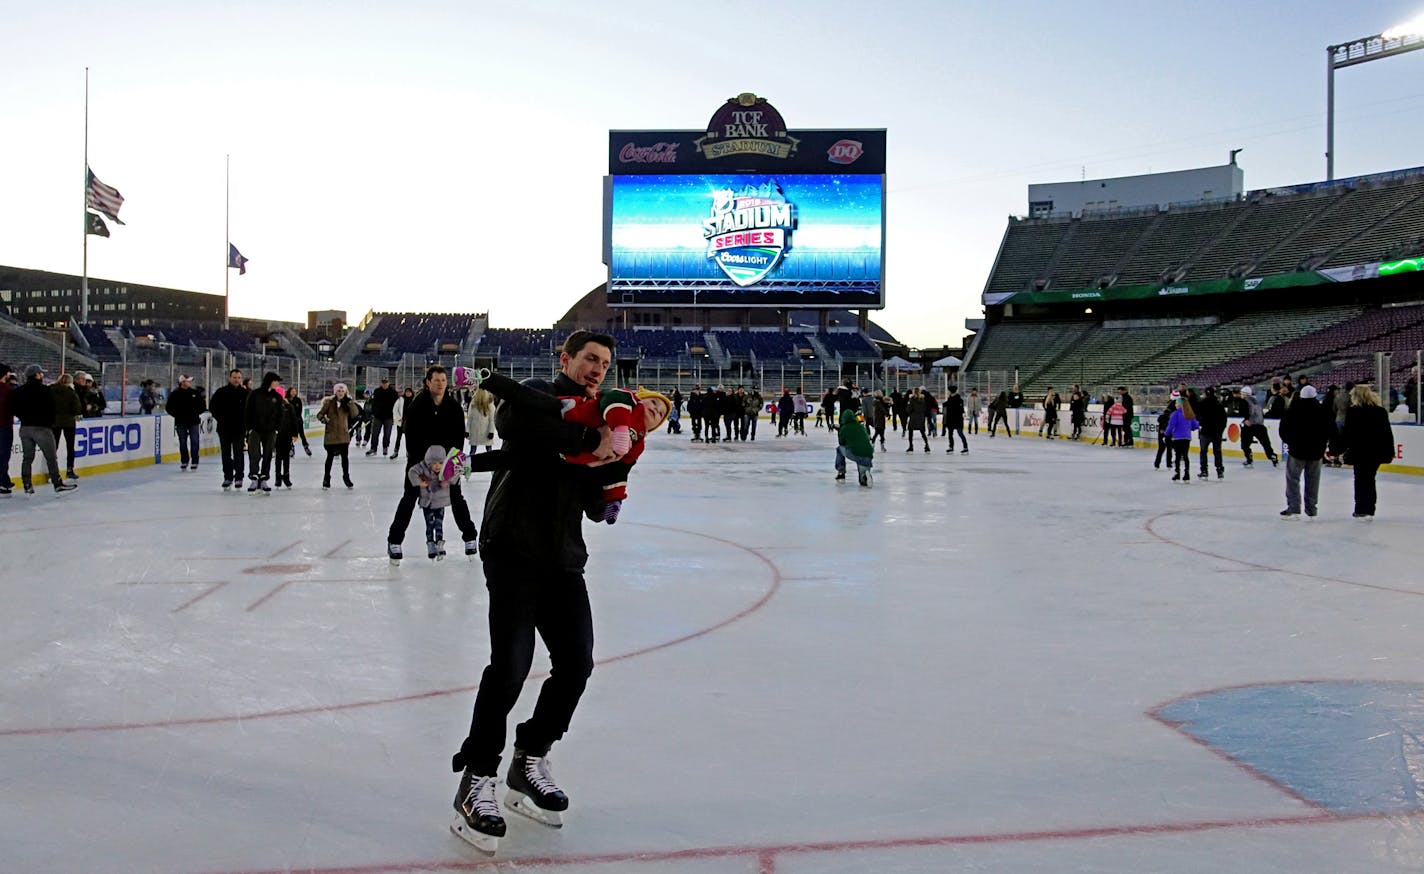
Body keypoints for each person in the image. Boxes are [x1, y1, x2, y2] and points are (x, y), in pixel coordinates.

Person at [449, 331, 620, 853]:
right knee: (511, 664)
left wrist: (613, 471)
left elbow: (592, 503)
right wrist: (589, 442)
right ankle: (477, 778)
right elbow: (515, 426)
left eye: (605, 364)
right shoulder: (534, 394)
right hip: (513, 546)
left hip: (562, 555)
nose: (597, 369)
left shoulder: (600, 417)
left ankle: (529, 759)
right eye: (589, 358)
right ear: (566, 359)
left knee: (577, 663)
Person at [387, 365, 480, 563]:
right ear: (428, 382)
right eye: (436, 380)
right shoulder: (418, 405)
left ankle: (470, 537)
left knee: (456, 497)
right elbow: (411, 438)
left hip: (447, 462)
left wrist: (451, 462)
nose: (440, 384)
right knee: (410, 498)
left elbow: (457, 438)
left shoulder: (453, 407)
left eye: (443, 380)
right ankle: (394, 541)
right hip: (419, 464)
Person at [10, 365, 76, 495]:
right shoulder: (45, 390)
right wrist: (48, 422)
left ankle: (27, 485)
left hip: (25, 428)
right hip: (42, 428)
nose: (42, 375)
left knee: (27, 458)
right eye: (40, 374)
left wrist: (24, 417)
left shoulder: (19, 391)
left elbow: (14, 409)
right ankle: (57, 484)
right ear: (36, 375)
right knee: (51, 457)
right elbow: (52, 408)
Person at [1332, 384, 1396, 519]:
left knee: (1361, 480)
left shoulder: (1354, 412)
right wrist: (1389, 451)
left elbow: (1348, 434)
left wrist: (1337, 450)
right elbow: (1387, 434)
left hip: (1360, 452)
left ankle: (1361, 509)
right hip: (1376, 452)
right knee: (1370, 479)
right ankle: (1370, 509)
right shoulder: (1380, 411)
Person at [1277, 384, 1333, 519]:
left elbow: (1283, 430)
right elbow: (1330, 430)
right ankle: (1311, 509)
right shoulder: (1323, 411)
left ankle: (1294, 507)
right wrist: (1326, 445)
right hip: (1316, 452)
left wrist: (1291, 442)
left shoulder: (1293, 410)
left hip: (1297, 451)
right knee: (1313, 480)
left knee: (1292, 479)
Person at [409, 444, 455, 559]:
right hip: (427, 502)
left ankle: (439, 543)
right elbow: (412, 472)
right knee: (429, 524)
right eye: (434, 463)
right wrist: (419, 482)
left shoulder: (446, 469)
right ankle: (430, 543)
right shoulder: (423, 467)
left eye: (440, 463)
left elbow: (456, 472)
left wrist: (448, 481)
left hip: (440, 502)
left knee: (438, 523)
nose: (437, 466)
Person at [244, 371, 285, 493]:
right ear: (270, 381)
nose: (277, 383)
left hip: (271, 431)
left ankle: (264, 478)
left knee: (268, 454)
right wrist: (249, 428)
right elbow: (248, 411)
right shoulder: (255, 394)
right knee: (254, 454)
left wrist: (277, 429)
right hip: (255, 430)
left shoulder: (277, 397)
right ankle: (254, 478)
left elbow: (280, 415)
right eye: (276, 381)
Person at [210, 369, 249, 490]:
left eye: (238, 378)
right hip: (224, 428)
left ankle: (238, 477)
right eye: (234, 377)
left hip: (239, 429)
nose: (236, 380)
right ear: (229, 378)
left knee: (238, 453)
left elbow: (250, 410)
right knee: (226, 454)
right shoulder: (221, 392)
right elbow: (213, 407)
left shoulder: (246, 393)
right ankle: (227, 476)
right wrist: (221, 419)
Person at [318, 383, 358, 490]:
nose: (340, 393)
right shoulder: (329, 403)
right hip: (331, 435)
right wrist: (324, 419)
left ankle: (346, 477)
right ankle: (326, 478)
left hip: (343, 435)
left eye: (342, 391)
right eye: (338, 391)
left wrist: (350, 403)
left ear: (345, 392)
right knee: (329, 457)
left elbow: (355, 414)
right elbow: (320, 414)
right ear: (335, 392)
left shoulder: (348, 403)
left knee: (344, 458)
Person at [165, 373, 207, 472]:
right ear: (182, 382)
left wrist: (196, 412)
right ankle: (184, 460)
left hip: (193, 421)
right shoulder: (175, 394)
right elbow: (169, 407)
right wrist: (177, 415)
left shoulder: (195, 393)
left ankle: (195, 461)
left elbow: (202, 405)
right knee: (182, 442)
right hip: (180, 422)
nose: (190, 382)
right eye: (188, 381)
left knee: (195, 441)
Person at [50, 373, 83, 481]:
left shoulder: (51, 390)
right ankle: (69, 470)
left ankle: (52, 471)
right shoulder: (71, 392)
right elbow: (77, 408)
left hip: (54, 422)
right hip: (69, 422)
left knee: (54, 447)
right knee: (70, 447)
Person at [1236, 385, 1279, 468]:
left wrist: (1246, 419)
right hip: (1260, 426)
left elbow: (1248, 412)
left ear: (1245, 394)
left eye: (1242, 394)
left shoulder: (1245, 401)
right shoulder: (1257, 401)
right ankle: (1272, 456)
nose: (1241, 395)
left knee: (1245, 444)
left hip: (1250, 426)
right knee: (1266, 444)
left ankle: (1249, 458)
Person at [834, 404, 875, 487]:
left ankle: (841, 472)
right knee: (863, 482)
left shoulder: (845, 428)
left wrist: (840, 431)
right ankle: (866, 475)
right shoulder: (861, 427)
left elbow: (841, 443)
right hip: (868, 454)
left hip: (857, 454)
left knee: (839, 449)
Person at [1163, 396, 1199, 481]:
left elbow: (1171, 426)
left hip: (1177, 438)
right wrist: (1189, 428)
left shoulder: (1175, 414)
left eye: (1176, 403)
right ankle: (1187, 474)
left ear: (1180, 404)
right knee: (1185, 455)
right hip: (1187, 437)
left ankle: (1177, 473)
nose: (1175, 405)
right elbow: (1195, 425)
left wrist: (1166, 434)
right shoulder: (1189, 413)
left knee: (1178, 455)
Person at [1195, 386, 1227, 480]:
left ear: (1205, 393)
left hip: (1205, 431)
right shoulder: (1219, 404)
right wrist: (1221, 430)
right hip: (1217, 432)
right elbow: (1224, 419)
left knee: (1203, 451)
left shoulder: (1201, 404)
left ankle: (1204, 471)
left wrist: (1201, 423)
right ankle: (1219, 470)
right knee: (1217, 451)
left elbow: (1197, 417)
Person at [368, 376, 399, 456]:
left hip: (388, 416)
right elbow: (374, 403)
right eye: (383, 383)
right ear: (381, 383)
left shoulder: (393, 392)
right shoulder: (377, 391)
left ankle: (385, 447)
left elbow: (396, 405)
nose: (384, 384)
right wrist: (374, 412)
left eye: (386, 383)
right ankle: (373, 448)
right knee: (375, 433)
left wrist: (395, 415)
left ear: (388, 383)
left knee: (387, 433)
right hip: (378, 416)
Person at [466, 385, 497, 455]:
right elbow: (470, 418)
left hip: (485, 431)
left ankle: (490, 463)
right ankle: (470, 463)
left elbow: (492, 420)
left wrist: (491, 431)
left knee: (488, 449)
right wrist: (467, 430)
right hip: (475, 431)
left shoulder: (490, 404)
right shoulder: (473, 403)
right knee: (473, 450)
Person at [0, 364, 16, 495]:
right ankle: (2, 481)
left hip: (4, 424)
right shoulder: (7, 390)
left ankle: (4, 480)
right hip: (4, 425)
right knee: (3, 454)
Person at [390, 386, 415, 458]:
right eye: (407, 392)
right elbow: (395, 409)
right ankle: (396, 451)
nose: (408, 393)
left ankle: (409, 452)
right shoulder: (401, 399)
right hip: (401, 422)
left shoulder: (414, 400)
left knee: (409, 438)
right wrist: (398, 418)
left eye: (409, 392)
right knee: (398, 437)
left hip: (410, 423)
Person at [942, 385, 968, 454]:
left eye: (948, 391)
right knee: (950, 434)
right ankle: (951, 447)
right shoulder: (949, 399)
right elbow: (946, 407)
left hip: (958, 420)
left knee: (960, 433)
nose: (947, 392)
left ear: (951, 391)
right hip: (950, 420)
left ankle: (965, 448)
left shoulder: (959, 400)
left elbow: (961, 410)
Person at [904, 387, 929, 452]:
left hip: (914, 417)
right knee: (922, 432)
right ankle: (927, 445)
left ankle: (911, 446)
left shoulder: (912, 399)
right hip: (921, 417)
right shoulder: (923, 399)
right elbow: (925, 408)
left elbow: (909, 409)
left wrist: (907, 409)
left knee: (910, 431)